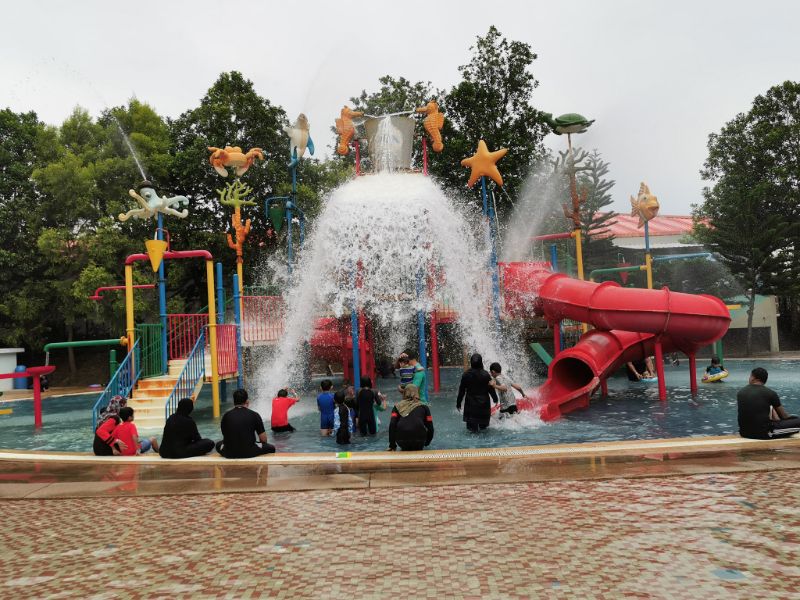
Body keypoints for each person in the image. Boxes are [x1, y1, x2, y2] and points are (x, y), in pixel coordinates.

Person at [737, 367, 800, 439]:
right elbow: (784, 416)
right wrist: (795, 419)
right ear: (765, 380)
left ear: (753, 378)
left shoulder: (741, 392)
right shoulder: (770, 393)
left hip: (743, 433)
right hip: (764, 434)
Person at [216, 388, 275, 458]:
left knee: (218, 444)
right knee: (271, 447)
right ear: (247, 401)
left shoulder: (226, 415)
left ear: (234, 401)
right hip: (249, 452)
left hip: (229, 453)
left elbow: (225, 436)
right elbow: (263, 439)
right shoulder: (254, 415)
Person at [456, 353, 498, 432]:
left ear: (471, 362)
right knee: (484, 430)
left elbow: (461, 391)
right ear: (481, 362)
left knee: (471, 431)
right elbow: (491, 389)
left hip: (470, 407)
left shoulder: (466, 375)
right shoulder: (486, 375)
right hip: (484, 406)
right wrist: (495, 399)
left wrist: (458, 403)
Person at [388, 384, 434, 451]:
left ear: (405, 392)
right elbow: (430, 428)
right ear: (416, 393)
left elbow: (392, 424)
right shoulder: (424, 407)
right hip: (419, 441)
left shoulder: (397, 406)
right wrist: (427, 442)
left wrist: (392, 445)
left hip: (401, 441)